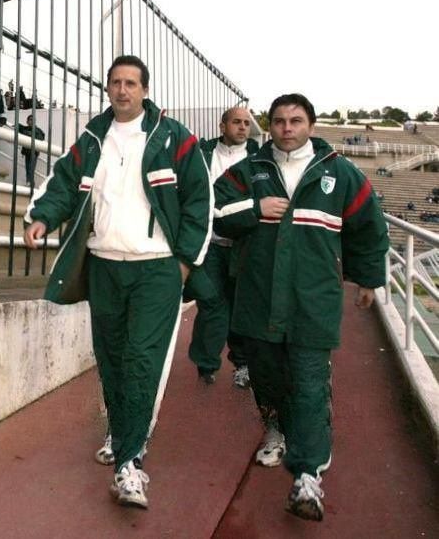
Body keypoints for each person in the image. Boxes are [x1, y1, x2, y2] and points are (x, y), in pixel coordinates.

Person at [23, 55, 212, 510]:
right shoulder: (93, 138)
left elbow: (199, 201)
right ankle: (121, 429)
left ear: (145, 90)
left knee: (141, 358)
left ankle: (130, 463)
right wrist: (42, 218)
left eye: (131, 83)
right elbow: (62, 183)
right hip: (105, 266)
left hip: (157, 269)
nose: (122, 90)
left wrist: (184, 262)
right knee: (110, 356)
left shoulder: (175, 138)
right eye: (115, 83)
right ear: (108, 88)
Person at [213, 93, 388, 521]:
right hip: (258, 297)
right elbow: (213, 212)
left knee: (309, 381)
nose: (287, 128)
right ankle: (276, 428)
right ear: (269, 126)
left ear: (311, 125)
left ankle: (308, 474)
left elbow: (368, 226)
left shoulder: (339, 173)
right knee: (267, 376)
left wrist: (368, 278)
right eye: (279, 121)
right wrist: (255, 209)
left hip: (314, 299)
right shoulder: (249, 170)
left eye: (295, 121)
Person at [188, 106, 259, 387]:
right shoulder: (202, 154)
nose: (242, 127)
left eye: (246, 123)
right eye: (236, 122)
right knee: (212, 302)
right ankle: (206, 363)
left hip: (244, 245)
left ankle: (242, 364)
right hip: (209, 246)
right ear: (222, 126)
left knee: (242, 306)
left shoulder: (259, 159)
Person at [17, 114, 44, 187]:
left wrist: (27, 133)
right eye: (30, 120)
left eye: (33, 120)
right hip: (27, 153)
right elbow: (21, 127)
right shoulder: (26, 129)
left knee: (30, 169)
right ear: (27, 121)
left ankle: (30, 184)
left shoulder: (38, 130)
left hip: (33, 153)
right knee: (28, 169)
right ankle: (29, 183)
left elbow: (40, 138)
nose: (32, 121)